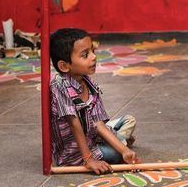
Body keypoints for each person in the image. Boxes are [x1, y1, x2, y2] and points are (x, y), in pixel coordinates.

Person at [49, 28, 139, 174]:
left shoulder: (90, 84)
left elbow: (98, 123)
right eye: (85, 55)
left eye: (92, 51)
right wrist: (88, 159)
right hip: (75, 153)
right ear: (64, 66)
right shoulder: (59, 85)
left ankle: (120, 141)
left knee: (129, 120)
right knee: (115, 154)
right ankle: (119, 140)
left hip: (92, 135)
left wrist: (125, 151)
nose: (93, 57)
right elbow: (74, 123)